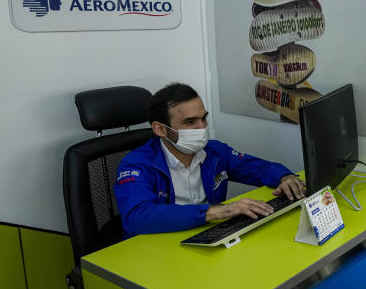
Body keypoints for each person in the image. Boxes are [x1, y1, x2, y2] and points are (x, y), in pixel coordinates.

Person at [114, 83, 306, 236]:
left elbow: (256, 168)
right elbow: (136, 217)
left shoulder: (214, 151)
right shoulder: (137, 164)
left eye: (203, 118)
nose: (202, 127)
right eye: (190, 122)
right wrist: (217, 212)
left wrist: (285, 177)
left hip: (208, 236)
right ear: (160, 129)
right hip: (159, 246)